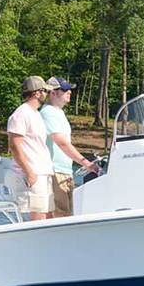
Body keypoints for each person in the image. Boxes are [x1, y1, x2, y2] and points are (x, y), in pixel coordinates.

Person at [40, 77, 98, 217]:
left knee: (68, 213)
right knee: (61, 214)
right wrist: (86, 163)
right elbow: (62, 142)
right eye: (65, 90)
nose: (69, 92)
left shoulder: (58, 112)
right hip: (55, 171)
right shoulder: (48, 112)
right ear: (53, 93)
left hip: (65, 171)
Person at [6, 76, 54, 221]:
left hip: (43, 172)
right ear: (37, 93)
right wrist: (29, 172)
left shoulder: (36, 114)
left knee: (48, 215)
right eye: (45, 91)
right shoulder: (20, 114)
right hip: (32, 173)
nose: (47, 94)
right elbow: (14, 146)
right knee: (38, 214)